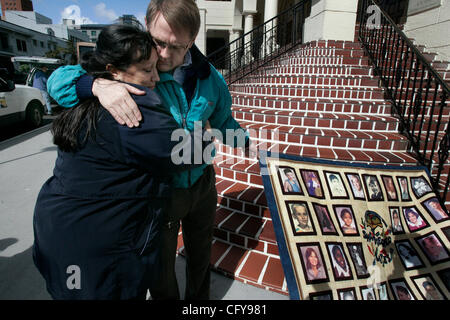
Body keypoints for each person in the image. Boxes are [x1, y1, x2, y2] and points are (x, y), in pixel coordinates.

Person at [47, 0, 255, 300]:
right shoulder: (135, 67)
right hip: (160, 190)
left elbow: (223, 121)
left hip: (202, 184)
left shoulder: (211, 78)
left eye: (177, 46)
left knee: (200, 258)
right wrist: (94, 87)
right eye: (159, 42)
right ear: (147, 30)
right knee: (160, 270)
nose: (165, 55)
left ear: (192, 40)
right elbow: (57, 81)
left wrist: (252, 147)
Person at [32, 24, 210, 300]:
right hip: (101, 249)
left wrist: (92, 84)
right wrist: (206, 136)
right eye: (147, 70)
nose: (155, 78)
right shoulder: (133, 107)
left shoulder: (84, 98)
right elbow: (186, 153)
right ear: (113, 69)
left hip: (57, 233)